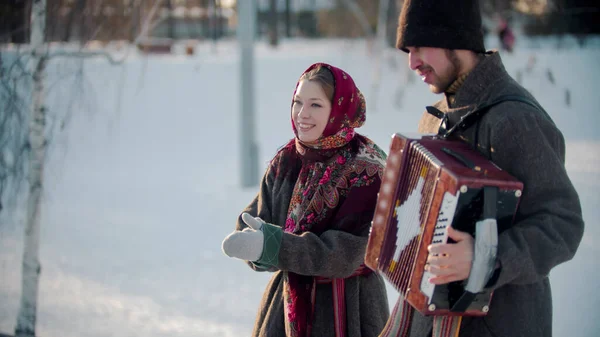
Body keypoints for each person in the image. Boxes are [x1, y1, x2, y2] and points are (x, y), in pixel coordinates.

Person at [380, 0, 585, 336]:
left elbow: (563, 224)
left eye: (419, 46)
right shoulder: (437, 115)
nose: (412, 62)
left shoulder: (516, 120)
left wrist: (485, 258)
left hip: (500, 324)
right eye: (407, 49)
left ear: (456, 38)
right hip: (429, 321)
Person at [221, 63, 390, 337]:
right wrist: (255, 247)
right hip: (287, 309)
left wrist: (274, 247)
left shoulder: (367, 168)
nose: (302, 114)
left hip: (351, 310)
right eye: (298, 102)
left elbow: (347, 254)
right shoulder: (286, 161)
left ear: (338, 109)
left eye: (315, 105)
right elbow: (257, 220)